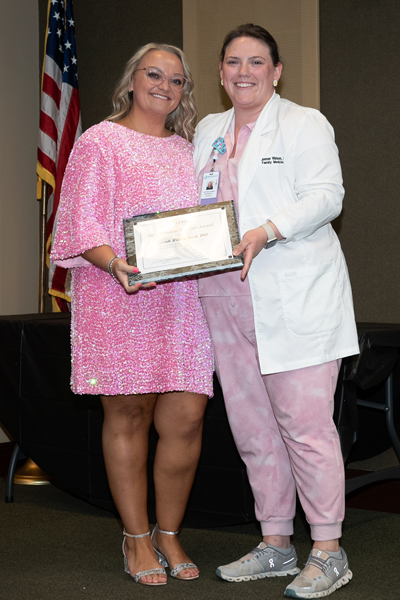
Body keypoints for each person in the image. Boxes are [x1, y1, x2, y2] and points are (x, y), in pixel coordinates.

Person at [193, 24, 359, 598]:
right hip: (225, 298)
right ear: (220, 73)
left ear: (276, 71)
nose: (244, 71)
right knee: (254, 429)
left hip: (294, 297)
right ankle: (276, 545)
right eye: (233, 61)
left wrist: (267, 229)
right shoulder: (208, 130)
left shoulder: (304, 123)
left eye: (256, 61)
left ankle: (330, 550)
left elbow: (326, 195)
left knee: (305, 430)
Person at [51, 43, 213, 586]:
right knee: (129, 414)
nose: (164, 86)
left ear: (184, 91)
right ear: (133, 79)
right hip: (117, 292)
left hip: (181, 300)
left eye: (176, 79)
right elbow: (77, 221)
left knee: (186, 417)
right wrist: (116, 263)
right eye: (154, 74)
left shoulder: (189, 151)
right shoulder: (100, 141)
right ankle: (137, 537)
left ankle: (170, 532)